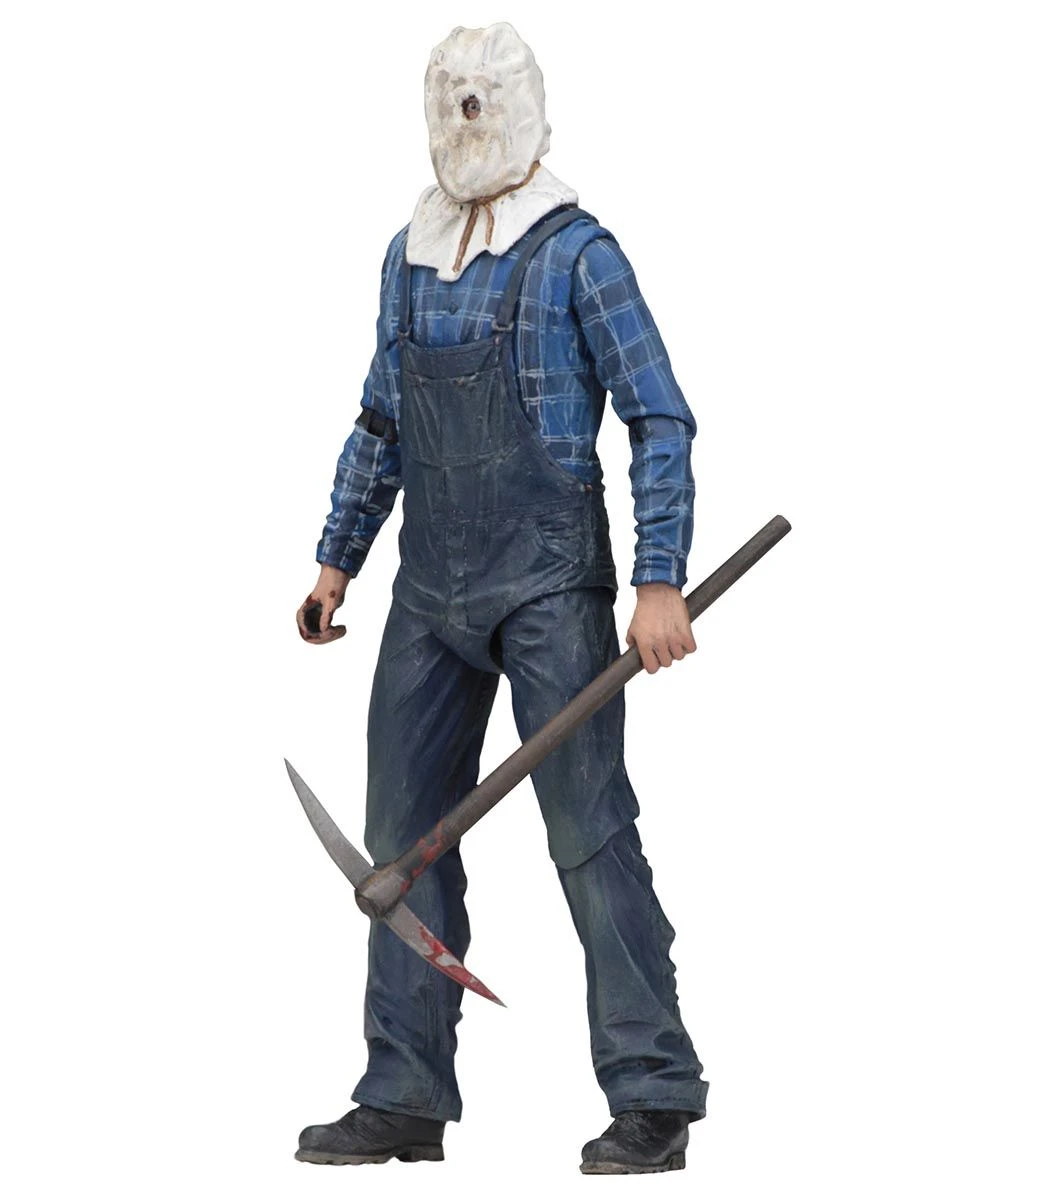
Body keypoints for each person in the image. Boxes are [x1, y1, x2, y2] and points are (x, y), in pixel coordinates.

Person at [294, 23, 708, 1175]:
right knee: (398, 847)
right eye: (452, 96)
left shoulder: (580, 255)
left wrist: (659, 579)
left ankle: (654, 1088)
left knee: (587, 829)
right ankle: (403, 1092)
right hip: (427, 592)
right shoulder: (407, 255)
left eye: (486, 95)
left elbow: (659, 416)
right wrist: (336, 561)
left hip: (547, 590)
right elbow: (381, 420)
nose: (467, 113)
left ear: (522, 104)